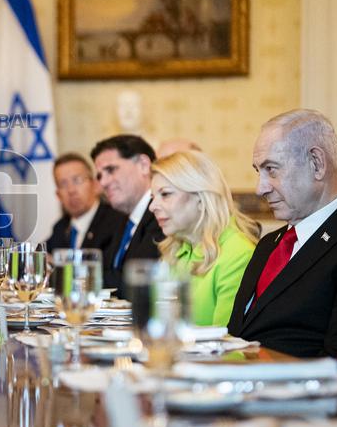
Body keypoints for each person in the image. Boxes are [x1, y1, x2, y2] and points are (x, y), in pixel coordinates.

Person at [227, 109, 337, 358]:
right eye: (259, 171)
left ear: (316, 163)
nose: (260, 188)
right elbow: (238, 333)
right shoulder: (269, 244)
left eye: (271, 169)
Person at [149, 151, 258, 326]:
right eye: (153, 197)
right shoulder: (175, 250)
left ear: (201, 197)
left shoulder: (238, 254)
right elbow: (159, 324)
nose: (152, 206)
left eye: (166, 194)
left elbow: (225, 338)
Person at [90, 134, 165, 293]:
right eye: (100, 175)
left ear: (143, 165)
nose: (103, 182)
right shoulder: (118, 219)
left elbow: (140, 280)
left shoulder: (163, 215)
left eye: (110, 170)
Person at [45, 153, 126, 255]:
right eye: (63, 184)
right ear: (58, 195)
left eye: (77, 180)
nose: (71, 190)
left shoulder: (117, 222)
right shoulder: (60, 228)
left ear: (95, 185)